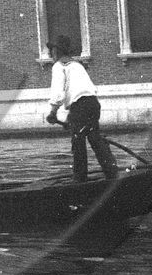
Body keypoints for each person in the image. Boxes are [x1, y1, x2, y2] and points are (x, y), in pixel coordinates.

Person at [45, 34, 118, 182]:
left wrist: (53, 112)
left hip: (80, 107)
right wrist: (71, 120)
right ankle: (111, 174)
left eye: (52, 50)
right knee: (95, 139)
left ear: (57, 51)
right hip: (93, 104)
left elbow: (58, 93)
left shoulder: (59, 66)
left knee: (78, 142)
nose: (50, 54)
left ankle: (79, 179)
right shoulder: (77, 65)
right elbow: (83, 91)